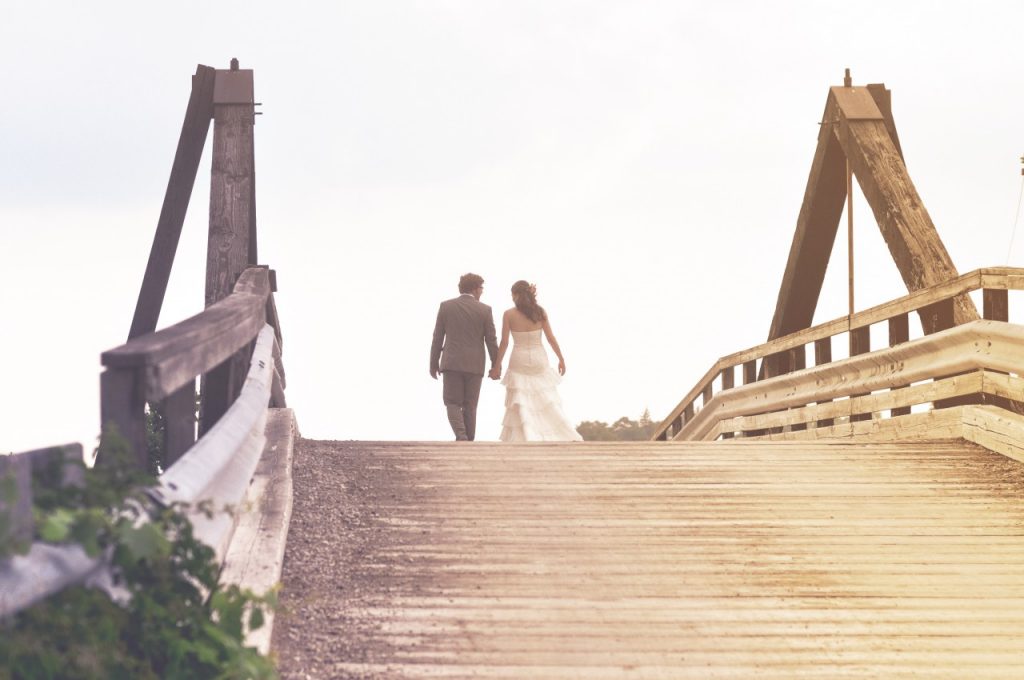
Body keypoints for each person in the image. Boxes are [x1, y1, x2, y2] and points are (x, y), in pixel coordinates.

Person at [489, 281, 582, 442]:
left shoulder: (508, 314)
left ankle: (526, 435)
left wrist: (497, 366)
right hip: (539, 358)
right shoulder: (540, 312)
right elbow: (550, 338)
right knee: (545, 396)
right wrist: (561, 359)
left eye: (512, 294)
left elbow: (504, 343)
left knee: (521, 397)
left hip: (518, 359)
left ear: (516, 295)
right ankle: (557, 433)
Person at [430, 273, 500, 441]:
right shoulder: (485, 310)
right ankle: (468, 440)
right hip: (475, 365)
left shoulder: (446, 306)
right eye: (481, 288)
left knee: (452, 402)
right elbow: (491, 340)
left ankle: (462, 436)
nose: (482, 292)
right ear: (475, 289)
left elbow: (437, 337)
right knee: (471, 405)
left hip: (451, 363)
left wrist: (433, 363)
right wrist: (496, 365)